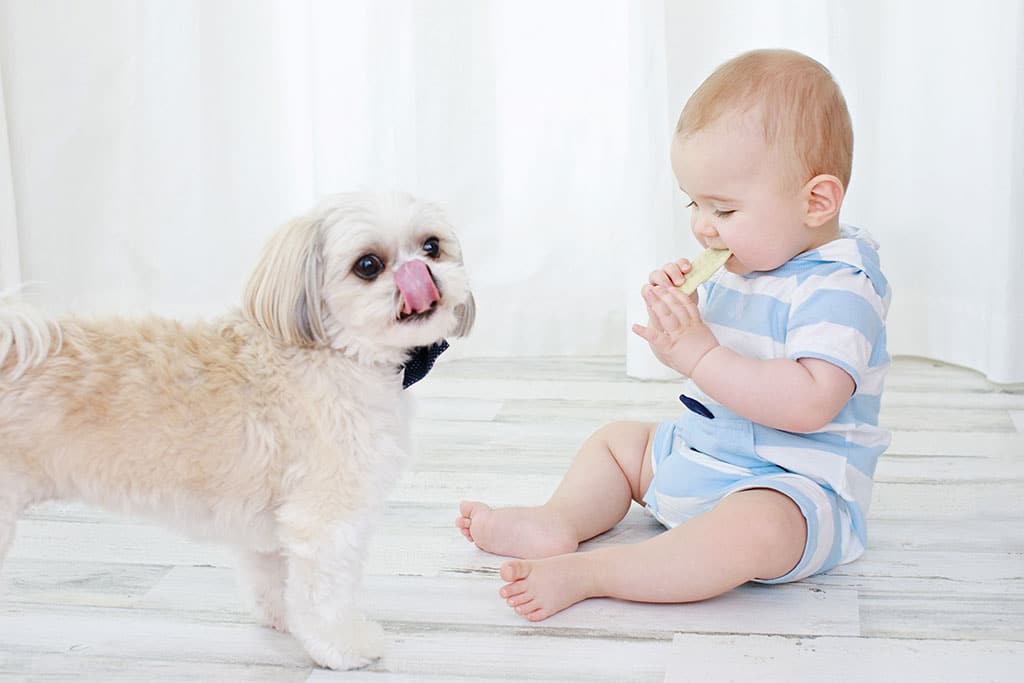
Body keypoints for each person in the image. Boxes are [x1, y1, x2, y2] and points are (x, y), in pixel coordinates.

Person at [455, 48, 891, 621]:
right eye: (695, 204)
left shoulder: (841, 288)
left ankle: (596, 573)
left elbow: (810, 403)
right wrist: (680, 318)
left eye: (724, 210)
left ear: (816, 201)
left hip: (789, 487)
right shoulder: (750, 262)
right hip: (702, 453)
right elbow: (706, 369)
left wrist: (701, 351)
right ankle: (558, 519)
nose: (703, 227)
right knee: (617, 442)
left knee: (752, 531)